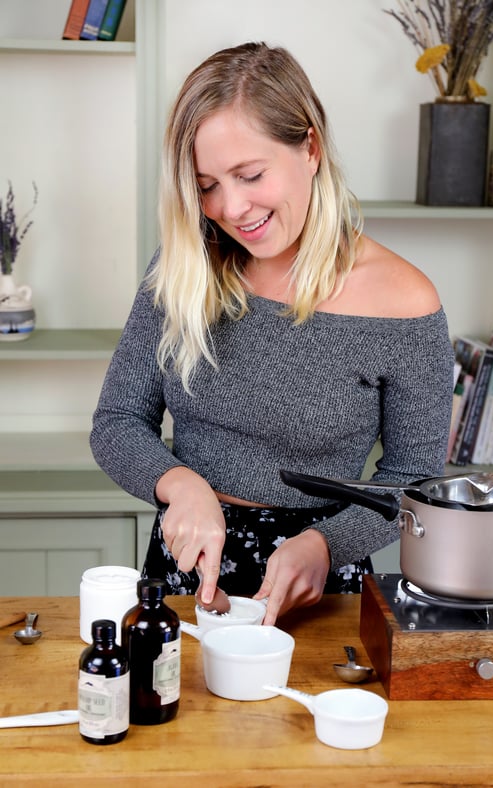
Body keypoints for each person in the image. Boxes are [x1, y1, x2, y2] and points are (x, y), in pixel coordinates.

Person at [90, 41, 454, 626]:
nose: (230, 208)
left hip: (319, 586)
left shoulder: (405, 302)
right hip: (187, 574)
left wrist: (325, 546)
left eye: (250, 174)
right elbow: (117, 422)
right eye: (206, 185)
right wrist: (179, 485)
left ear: (309, 147)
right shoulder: (185, 266)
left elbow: (413, 481)